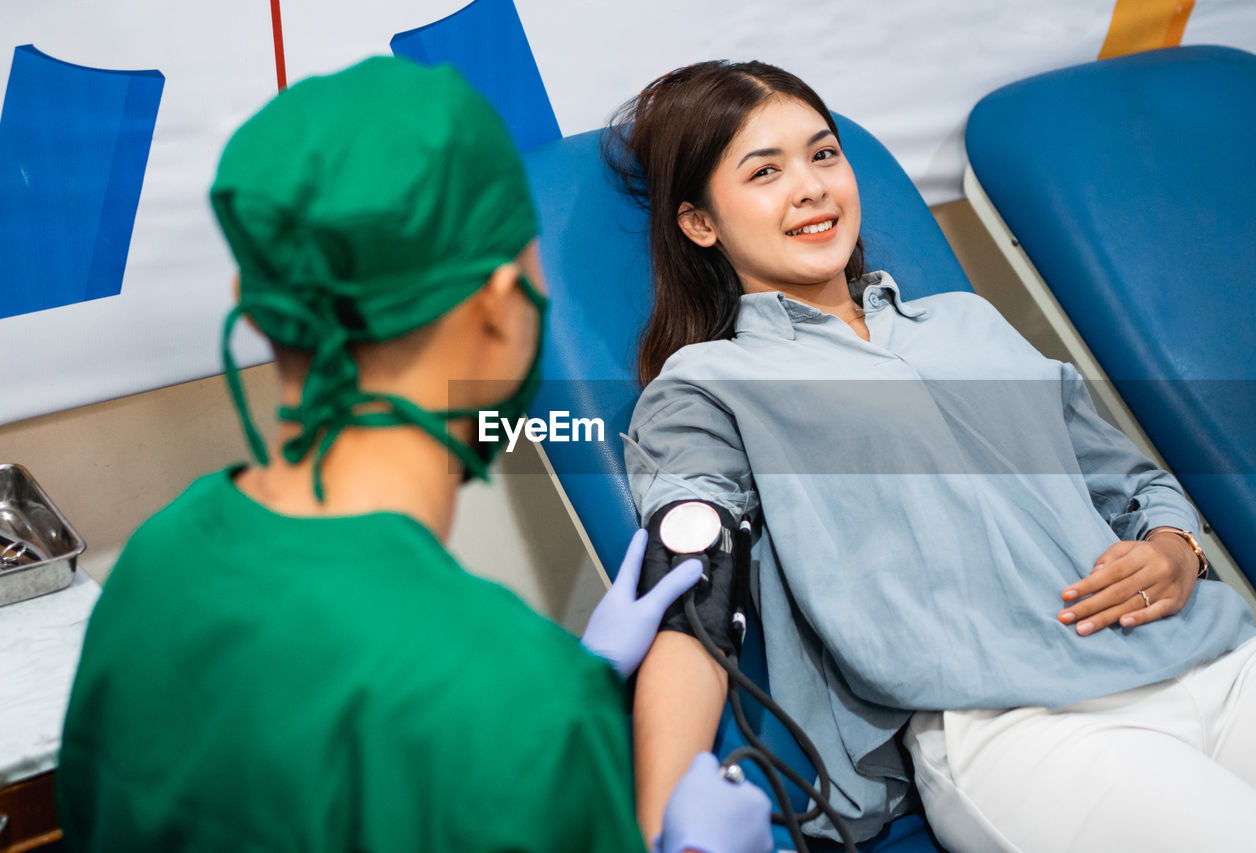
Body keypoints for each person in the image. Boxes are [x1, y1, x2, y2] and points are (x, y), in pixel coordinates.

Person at [56, 57, 774, 853]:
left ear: (264, 309)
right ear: (500, 308)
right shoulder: (517, 704)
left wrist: (592, 677)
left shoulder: (155, 565)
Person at [611, 59, 1256, 852]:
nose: (813, 187)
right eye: (766, 171)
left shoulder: (967, 323)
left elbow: (1130, 482)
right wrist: (659, 826)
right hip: (1025, 730)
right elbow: (691, 590)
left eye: (824, 155)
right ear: (700, 223)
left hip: (1216, 659)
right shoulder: (710, 384)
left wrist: (1175, 550)